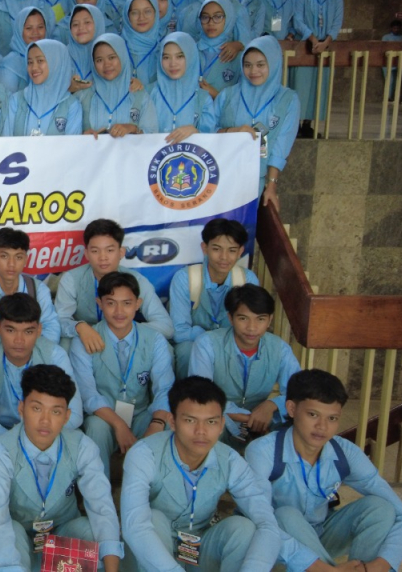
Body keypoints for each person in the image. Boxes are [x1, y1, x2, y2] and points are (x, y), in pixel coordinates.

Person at [245, 370, 402, 572]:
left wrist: (381, 565)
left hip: (321, 535)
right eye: (313, 415)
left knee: (381, 508)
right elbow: (261, 521)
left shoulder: (345, 453)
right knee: (286, 515)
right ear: (291, 409)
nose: (322, 427)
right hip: (274, 543)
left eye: (332, 418)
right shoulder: (263, 451)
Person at [119, 376, 282, 571]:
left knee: (243, 529)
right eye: (190, 420)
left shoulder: (230, 460)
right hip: (151, 554)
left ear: (221, 425)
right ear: (172, 421)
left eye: (211, 422)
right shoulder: (145, 453)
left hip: (197, 549)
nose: (201, 431)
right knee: (153, 519)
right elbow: (135, 526)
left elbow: (267, 523)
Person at [0, 364, 124, 572]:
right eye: (37, 408)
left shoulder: (82, 447)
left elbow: (101, 506)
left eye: (56, 411)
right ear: (21, 409)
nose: (45, 421)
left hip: (61, 531)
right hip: (20, 537)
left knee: (91, 531)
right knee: (8, 530)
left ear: (67, 416)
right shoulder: (1, 450)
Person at [70, 272, 175, 472]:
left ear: (138, 304)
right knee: (95, 426)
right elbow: (88, 394)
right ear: (100, 303)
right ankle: (100, 487)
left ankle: (157, 487)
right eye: (111, 303)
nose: (119, 311)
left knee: (167, 424)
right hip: (105, 416)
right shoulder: (83, 341)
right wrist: (119, 424)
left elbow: (165, 388)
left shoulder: (154, 339)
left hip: (140, 414)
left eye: (127, 303)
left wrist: (157, 422)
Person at [0, 294, 82, 442]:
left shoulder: (54, 355)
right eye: (11, 330)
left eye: (28, 331)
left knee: (79, 439)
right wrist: (5, 436)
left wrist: (33, 436)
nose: (19, 340)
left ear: (39, 330)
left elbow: (75, 414)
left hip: (43, 432)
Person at [189, 284, 299, 448]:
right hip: (218, 416)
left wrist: (271, 405)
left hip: (264, 421)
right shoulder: (207, 343)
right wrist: (248, 417)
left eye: (260, 319)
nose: (252, 328)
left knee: (300, 422)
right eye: (243, 318)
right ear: (230, 318)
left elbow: (298, 393)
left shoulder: (280, 349)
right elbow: (201, 393)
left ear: (270, 320)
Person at [54, 219, 174, 354]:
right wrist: (80, 327)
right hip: (89, 337)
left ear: (121, 252)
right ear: (86, 254)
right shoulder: (71, 279)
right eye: (95, 251)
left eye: (110, 250)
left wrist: (124, 331)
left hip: (127, 338)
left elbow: (166, 326)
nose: (103, 257)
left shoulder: (137, 281)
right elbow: (58, 321)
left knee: (165, 347)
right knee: (65, 343)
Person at [215, 36, 302, 212]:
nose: (253, 71)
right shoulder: (227, 95)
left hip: (255, 182)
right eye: (247, 65)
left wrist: (271, 185)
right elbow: (207, 132)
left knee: (242, 226)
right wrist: (233, 131)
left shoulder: (287, 100)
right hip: (220, 176)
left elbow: (281, 145)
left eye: (260, 65)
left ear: (273, 63)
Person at [167, 218, 260, 378]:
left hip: (233, 344)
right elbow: (179, 332)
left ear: (240, 252)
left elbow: (250, 327)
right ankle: (189, 394)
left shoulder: (247, 280)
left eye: (232, 250)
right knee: (187, 351)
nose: (224, 257)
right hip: (194, 343)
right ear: (205, 248)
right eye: (217, 249)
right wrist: (211, 340)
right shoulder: (185, 278)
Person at [0, 227, 63, 347]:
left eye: (18, 257)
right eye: (4, 256)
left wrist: (14, 344)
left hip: (28, 350)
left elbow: (52, 333)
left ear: (25, 260)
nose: (11, 264)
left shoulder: (38, 289)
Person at [291, 0, 344, 138]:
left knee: (319, 87)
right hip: (306, 46)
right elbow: (298, 21)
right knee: (301, 86)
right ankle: (297, 124)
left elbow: (337, 22)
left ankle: (309, 124)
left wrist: (326, 42)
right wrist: (313, 40)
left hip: (325, 48)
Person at [141, 32, 219, 144]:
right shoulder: (149, 93)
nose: (173, 63)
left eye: (180, 56)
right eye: (166, 57)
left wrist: (196, 132)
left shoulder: (202, 99)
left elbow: (211, 143)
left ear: (191, 56)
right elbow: (138, 136)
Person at [1, 39, 85, 137]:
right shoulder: (16, 101)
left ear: (56, 63)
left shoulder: (71, 106)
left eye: (40, 61)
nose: (34, 67)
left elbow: (72, 145)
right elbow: (6, 141)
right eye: (30, 62)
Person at [85, 34, 148, 137]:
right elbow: (70, 138)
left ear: (122, 57)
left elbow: (153, 136)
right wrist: (82, 137)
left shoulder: (140, 95)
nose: (106, 64)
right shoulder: (84, 97)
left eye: (112, 57)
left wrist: (132, 128)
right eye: (99, 60)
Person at [195, 0, 245, 94]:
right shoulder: (190, 50)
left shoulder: (238, 57)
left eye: (218, 17)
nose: (210, 23)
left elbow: (240, 98)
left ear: (229, 18)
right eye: (205, 17)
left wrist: (216, 95)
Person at [122, 0, 166, 85]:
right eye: (135, 13)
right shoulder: (116, 48)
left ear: (155, 14)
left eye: (147, 11)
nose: (141, 18)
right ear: (127, 16)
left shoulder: (165, 48)